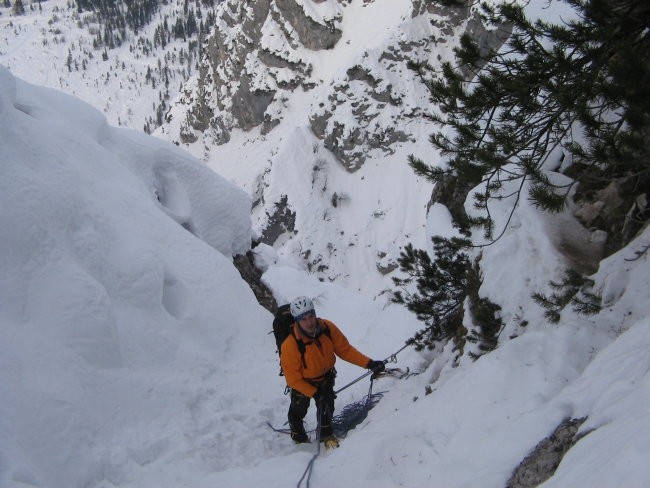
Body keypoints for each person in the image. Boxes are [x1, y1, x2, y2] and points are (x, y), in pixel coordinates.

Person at [280, 296, 385, 448]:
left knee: (326, 407)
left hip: (325, 377)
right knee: (298, 410)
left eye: (311, 316)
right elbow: (293, 379)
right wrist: (314, 393)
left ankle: (326, 436)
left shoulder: (327, 328)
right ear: (297, 321)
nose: (309, 322)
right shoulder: (290, 345)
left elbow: (345, 350)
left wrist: (369, 363)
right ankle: (299, 437)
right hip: (303, 383)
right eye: (304, 319)